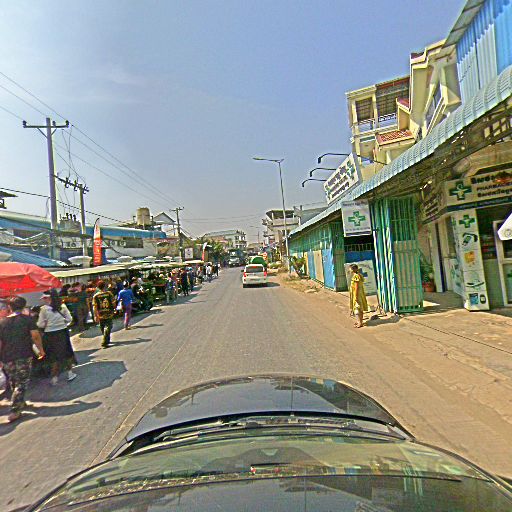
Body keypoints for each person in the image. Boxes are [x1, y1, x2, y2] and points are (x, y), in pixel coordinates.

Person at [0, 296, 45, 422]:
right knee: (22, 382)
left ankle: (20, 402)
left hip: (7, 357)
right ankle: (15, 410)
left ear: (10, 307)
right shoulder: (28, 319)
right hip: (23, 354)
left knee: (14, 380)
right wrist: (40, 350)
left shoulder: (2, 322)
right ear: (24, 306)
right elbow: (35, 336)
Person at [37, 289, 77, 385]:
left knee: (54, 356)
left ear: (49, 298)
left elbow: (40, 324)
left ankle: (54, 377)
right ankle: (70, 373)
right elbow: (69, 319)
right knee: (66, 353)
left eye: (45, 298)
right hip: (63, 332)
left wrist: (47, 323)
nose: (44, 300)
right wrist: (61, 322)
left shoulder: (43, 309)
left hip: (50, 334)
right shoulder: (62, 306)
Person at [92, 280, 116, 348]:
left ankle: (106, 339)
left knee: (102, 327)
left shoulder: (95, 296)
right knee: (109, 326)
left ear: (98, 287)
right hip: (109, 313)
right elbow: (113, 303)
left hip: (100, 314)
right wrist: (114, 309)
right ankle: (105, 341)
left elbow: (95, 307)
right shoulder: (109, 293)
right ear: (105, 286)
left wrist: (95, 316)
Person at [349, 264, 368, 328]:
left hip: (357, 294)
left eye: (350, 269)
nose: (350, 270)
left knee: (357, 308)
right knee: (360, 308)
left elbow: (356, 287)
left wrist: (356, 297)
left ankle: (360, 323)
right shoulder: (359, 275)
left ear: (354, 269)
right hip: (359, 294)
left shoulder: (356, 276)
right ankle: (359, 321)